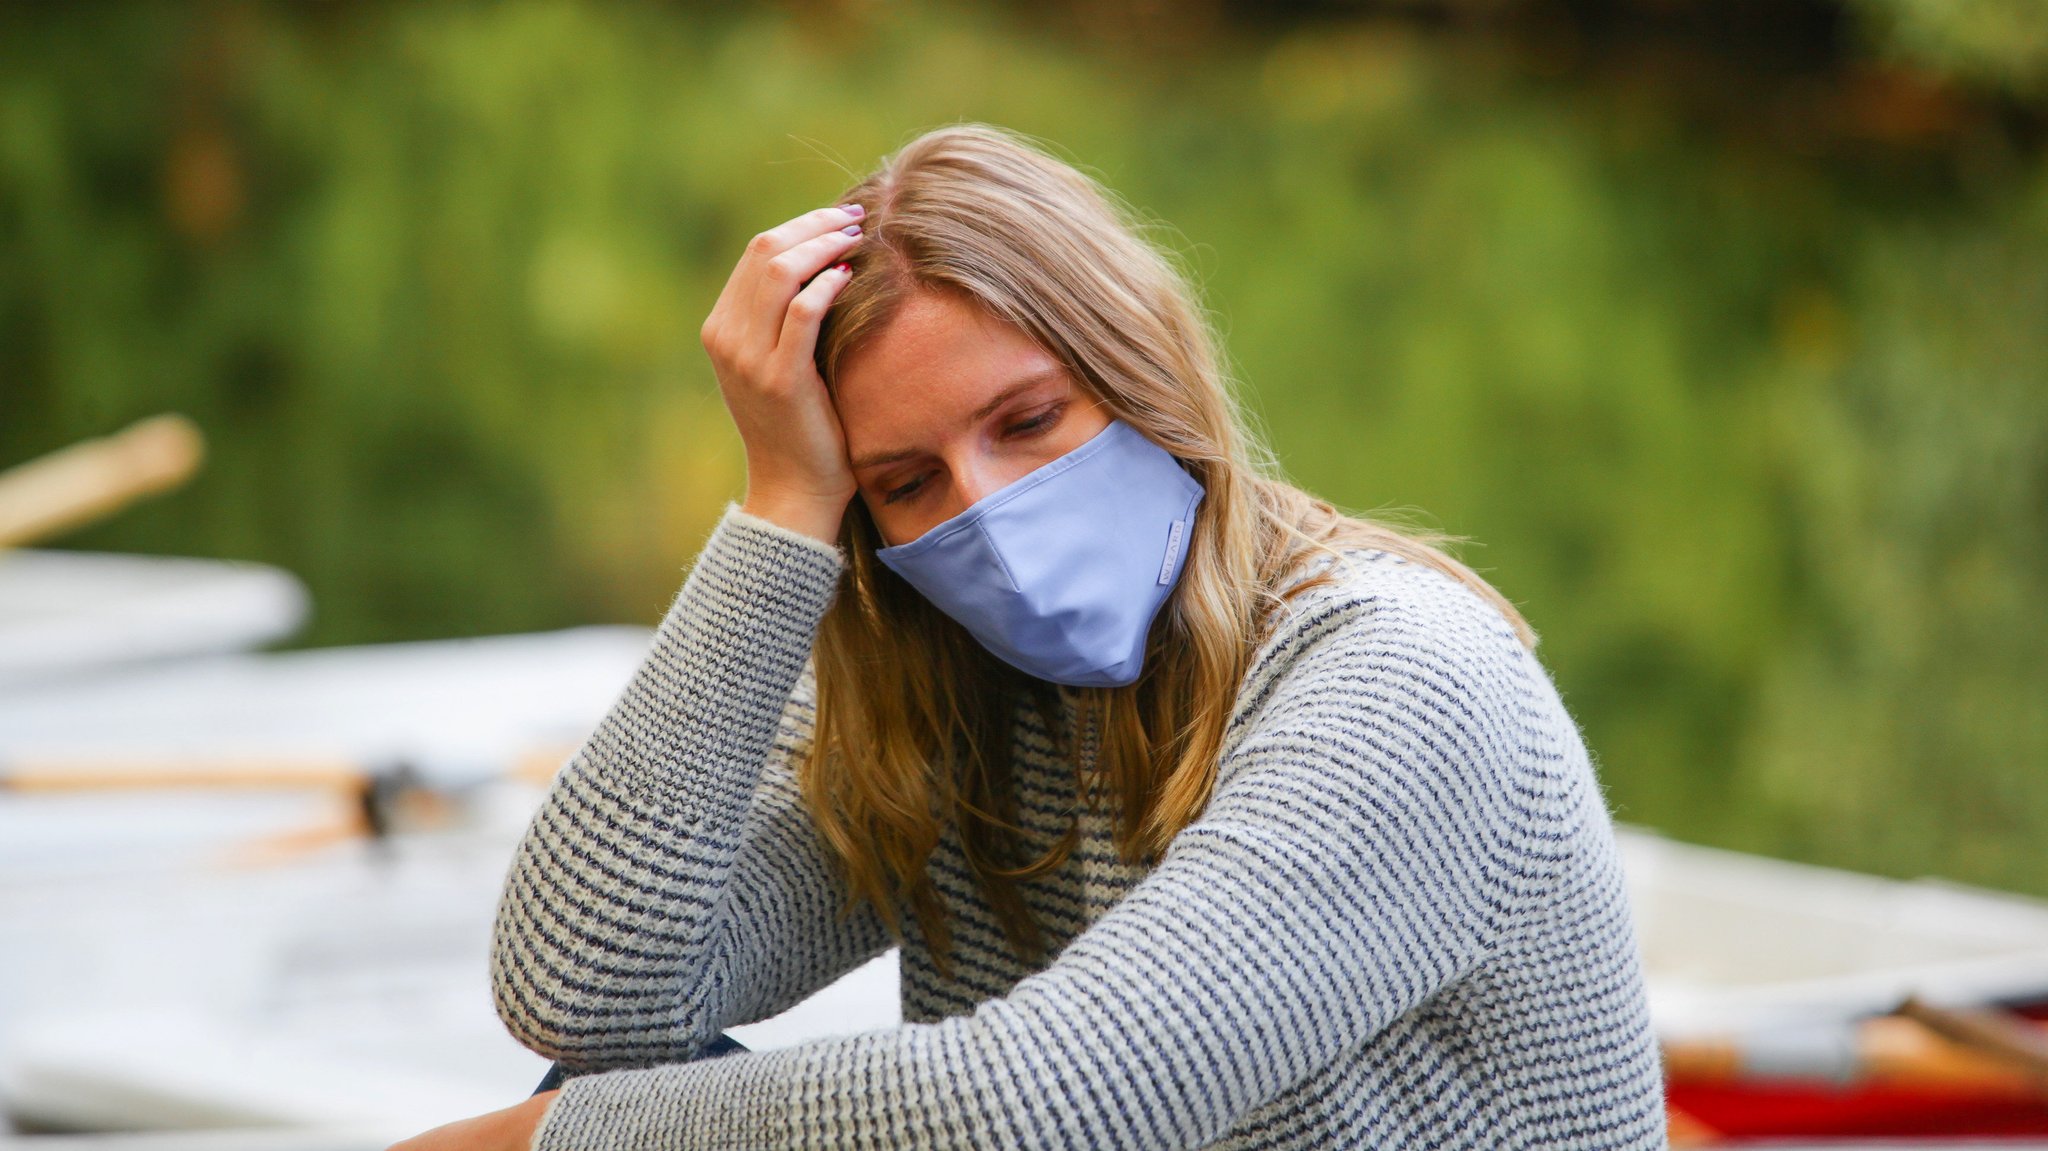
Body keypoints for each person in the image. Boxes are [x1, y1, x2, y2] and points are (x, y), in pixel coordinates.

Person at [386, 123, 1669, 1151]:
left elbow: (1042, 1107)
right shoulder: (956, 678)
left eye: (1027, 421)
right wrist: (780, 509)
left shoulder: (1402, 679)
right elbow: (590, 995)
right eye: (905, 480)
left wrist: (554, 1139)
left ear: (1141, 372)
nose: (984, 518)